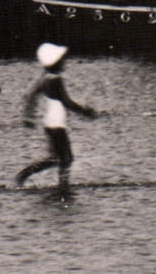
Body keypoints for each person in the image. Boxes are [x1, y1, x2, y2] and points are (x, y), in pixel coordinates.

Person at [14, 43, 98, 191]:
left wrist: (29, 115)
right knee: (62, 159)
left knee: (61, 158)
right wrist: (85, 111)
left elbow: (31, 96)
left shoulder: (45, 78)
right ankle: (26, 176)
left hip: (51, 122)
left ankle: (59, 185)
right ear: (56, 63)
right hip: (56, 124)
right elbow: (66, 101)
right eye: (62, 60)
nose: (64, 62)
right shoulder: (55, 80)